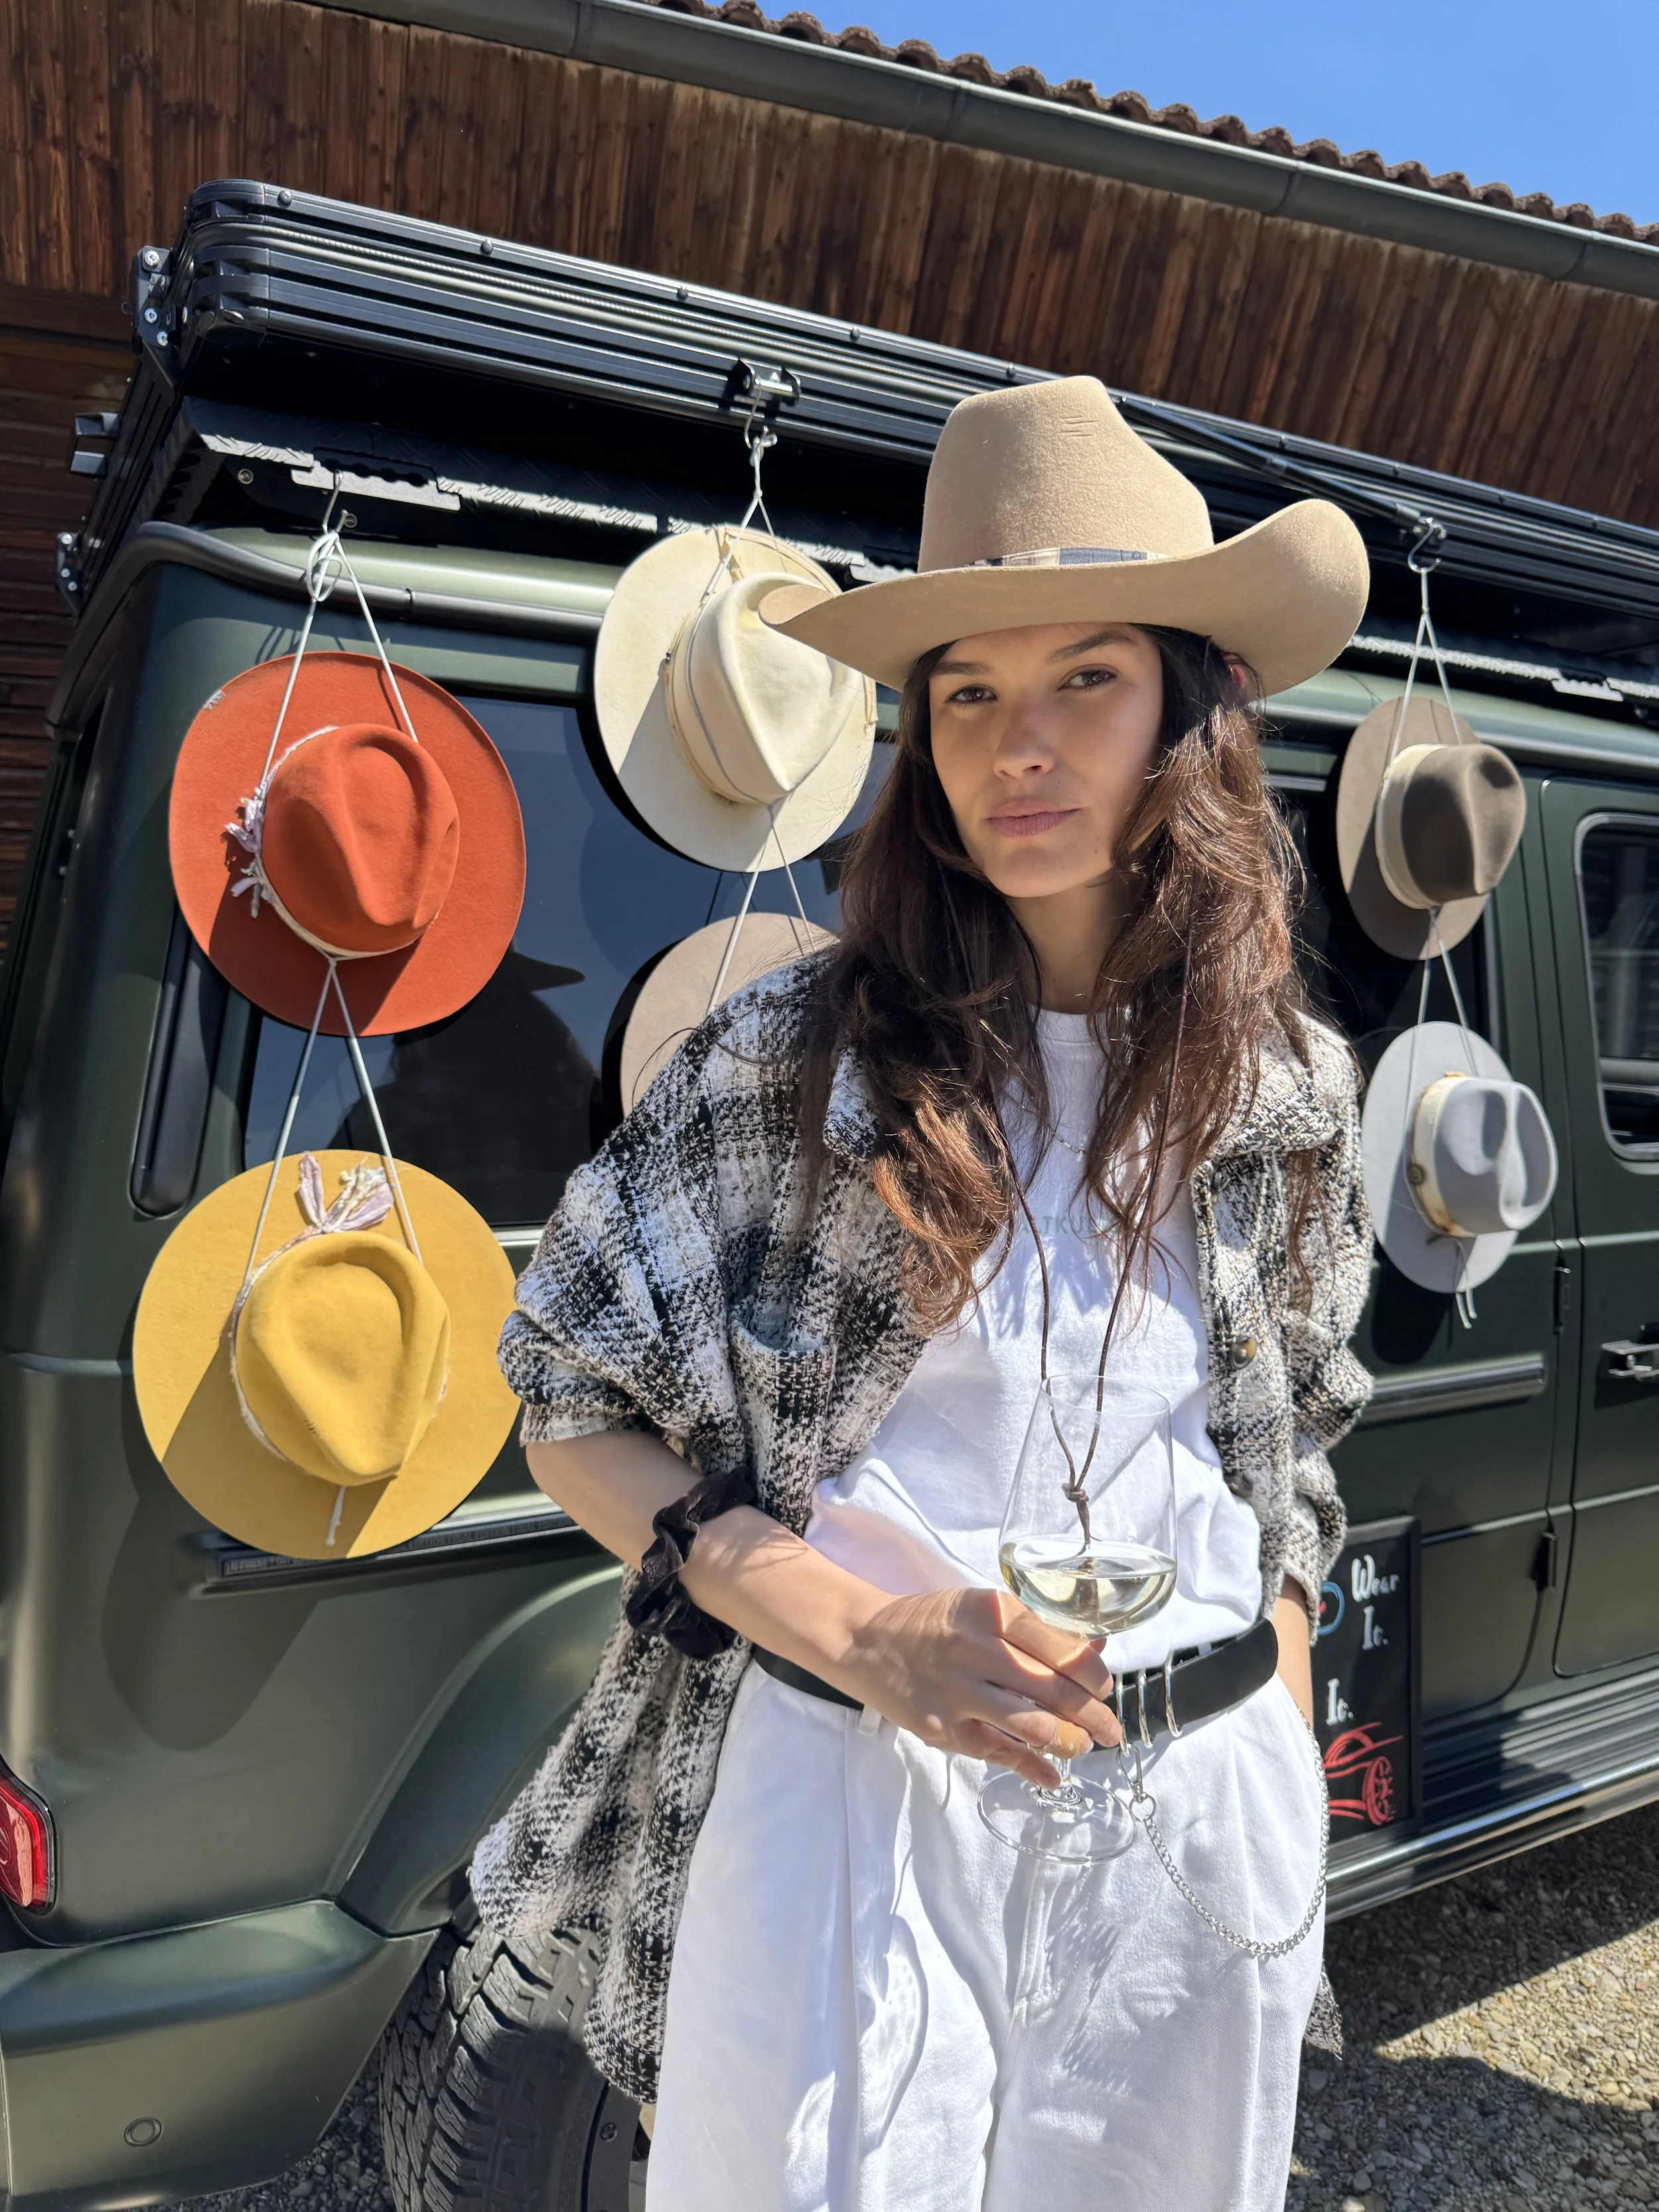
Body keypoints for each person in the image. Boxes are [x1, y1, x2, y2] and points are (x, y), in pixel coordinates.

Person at [472, 377, 1376, 2212]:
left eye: (1082, 683)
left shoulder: (1283, 1084)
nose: (1016, 744)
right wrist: (847, 1628)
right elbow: (565, 1397)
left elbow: (1296, 1421)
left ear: (1188, 720)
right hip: (857, 1782)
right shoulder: (787, 1063)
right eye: (968, 692)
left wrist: (1270, 1681)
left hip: (1184, 1809)